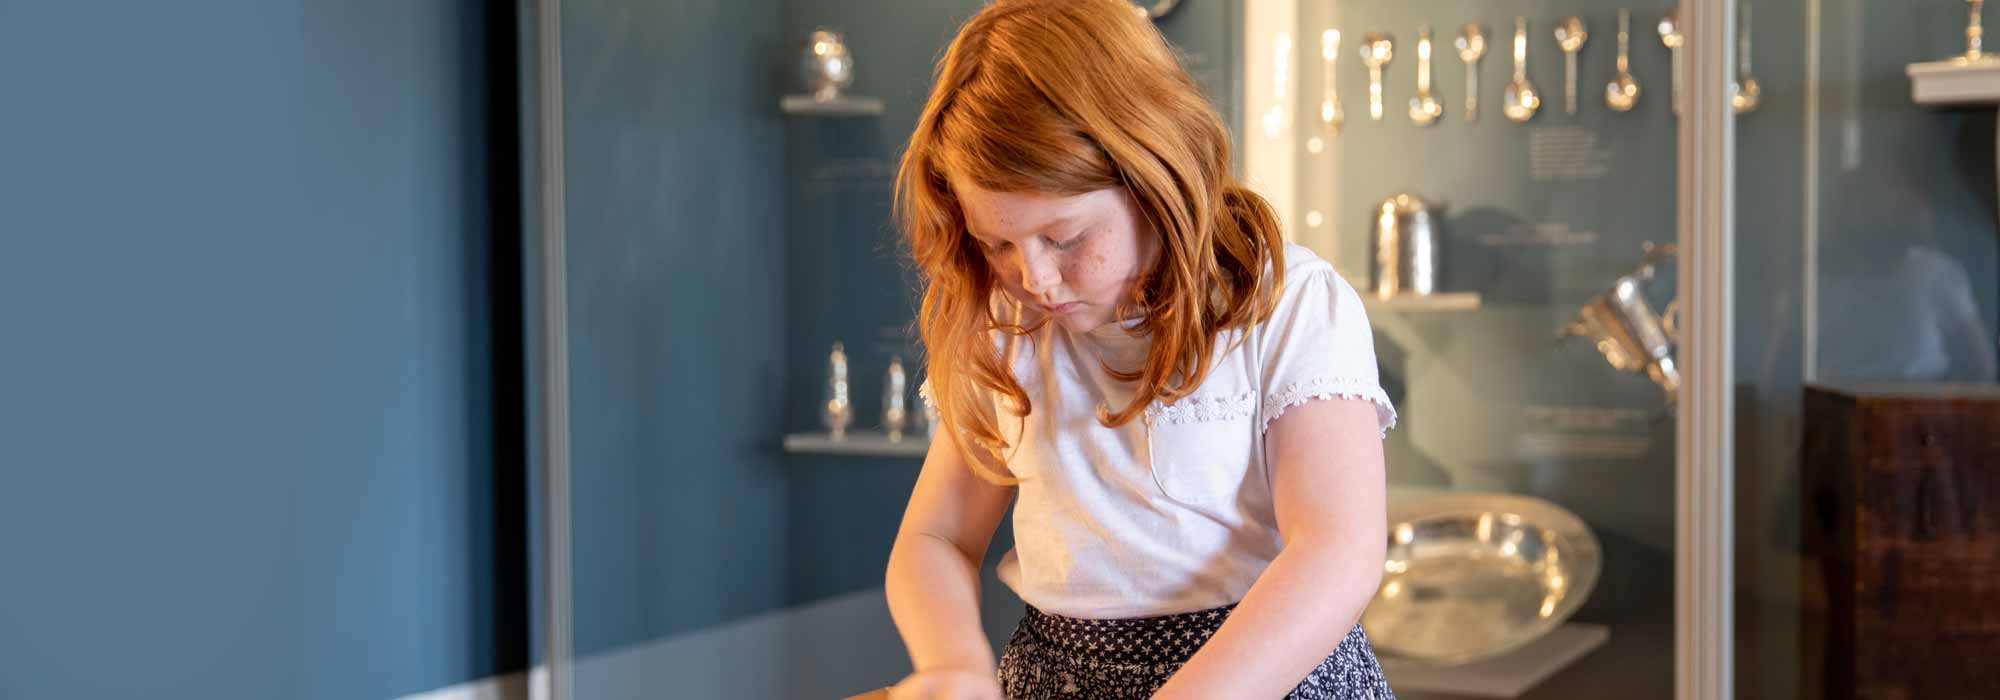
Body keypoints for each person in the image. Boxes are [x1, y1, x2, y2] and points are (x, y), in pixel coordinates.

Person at [883, 1, 1398, 698]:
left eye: (1064, 238)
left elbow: (1337, 555)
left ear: (1155, 174)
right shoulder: (1009, 327)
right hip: (1056, 674)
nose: (1035, 278)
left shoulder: (1292, 303)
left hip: (1257, 675)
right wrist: (953, 665)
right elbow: (935, 539)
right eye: (998, 243)